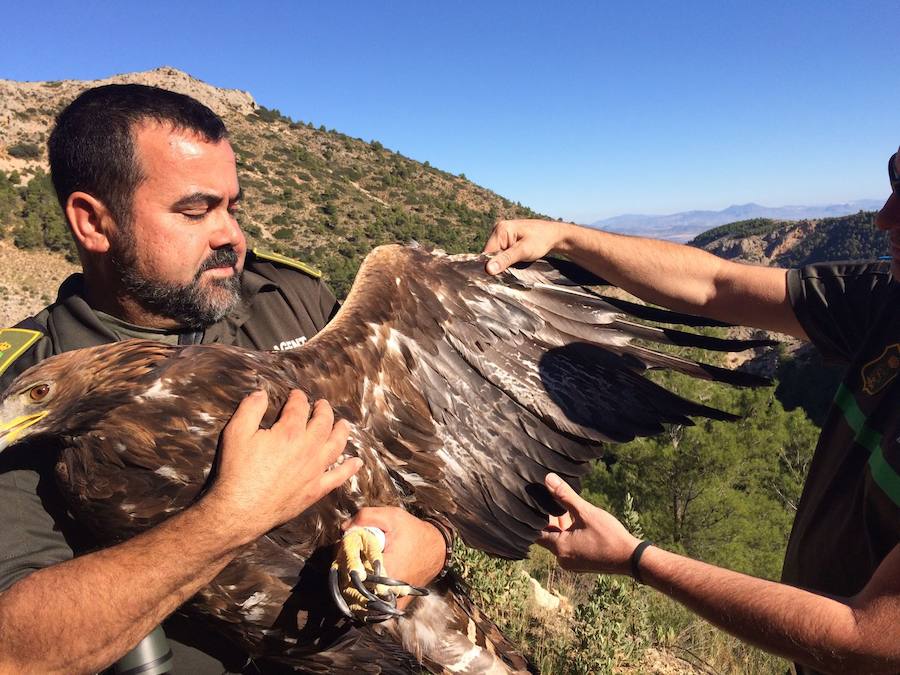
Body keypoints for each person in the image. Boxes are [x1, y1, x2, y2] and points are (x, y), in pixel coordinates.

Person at [0, 84, 447, 674]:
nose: (232, 236)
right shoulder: (32, 385)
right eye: (194, 211)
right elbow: (15, 652)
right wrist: (231, 517)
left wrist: (427, 545)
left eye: (231, 207)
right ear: (92, 222)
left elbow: (424, 471)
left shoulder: (289, 302)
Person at [482, 148, 900, 674]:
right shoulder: (886, 296)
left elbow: (863, 636)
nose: (885, 216)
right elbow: (716, 285)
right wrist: (564, 237)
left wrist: (635, 559)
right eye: (895, 177)